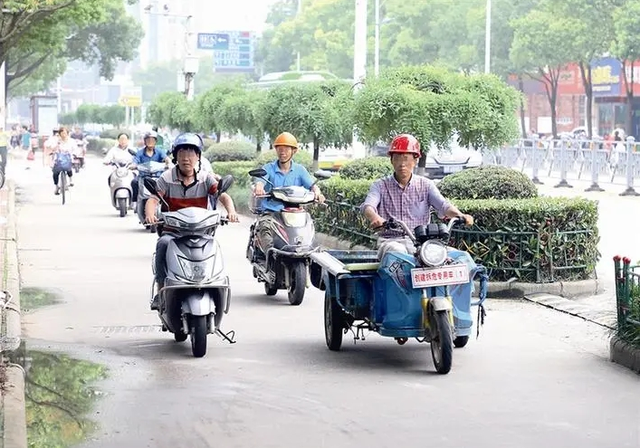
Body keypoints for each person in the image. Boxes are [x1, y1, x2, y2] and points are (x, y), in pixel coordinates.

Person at [144, 133, 239, 310]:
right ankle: (161, 290)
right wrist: (150, 215)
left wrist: (231, 211)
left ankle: (216, 288)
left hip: (202, 231)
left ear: (198, 157)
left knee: (214, 248)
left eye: (190, 154)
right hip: (173, 232)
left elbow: (222, 195)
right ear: (175, 157)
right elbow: (153, 199)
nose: (186, 159)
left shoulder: (205, 177)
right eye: (181, 154)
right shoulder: (166, 178)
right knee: (162, 245)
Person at [360, 134, 474, 260]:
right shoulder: (380, 186)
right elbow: (368, 206)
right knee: (398, 252)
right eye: (397, 158)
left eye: (406, 158)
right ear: (391, 160)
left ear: (415, 160)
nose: (402, 164)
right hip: (391, 241)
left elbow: (443, 205)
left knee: (462, 258)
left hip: (423, 243)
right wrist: (375, 218)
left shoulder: (426, 185)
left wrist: (460, 215)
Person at [250, 132, 325, 258]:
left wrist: (318, 192)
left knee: (309, 227)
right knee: (265, 226)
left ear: (293, 151)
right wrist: (259, 186)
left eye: (286, 149)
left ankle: (310, 259)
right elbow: (261, 180)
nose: (282, 152)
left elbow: (312, 185)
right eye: (279, 149)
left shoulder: (300, 170)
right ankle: (271, 257)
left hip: (294, 214)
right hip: (272, 212)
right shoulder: (268, 168)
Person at [129, 131, 172, 203]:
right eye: (148, 140)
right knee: (134, 182)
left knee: (168, 184)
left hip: (157, 176)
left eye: (152, 140)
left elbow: (166, 158)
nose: (150, 142)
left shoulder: (160, 151)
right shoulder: (140, 152)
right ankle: (136, 201)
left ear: (155, 141)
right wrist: (133, 165)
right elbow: (135, 161)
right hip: (143, 176)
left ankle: (165, 202)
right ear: (145, 141)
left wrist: (168, 163)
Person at [51, 127, 76, 195]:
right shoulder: (56, 141)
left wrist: (73, 154)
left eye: (65, 133)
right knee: (55, 172)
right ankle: (56, 186)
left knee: (68, 167)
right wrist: (57, 145)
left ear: (67, 134)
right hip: (59, 158)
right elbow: (52, 148)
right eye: (62, 133)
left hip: (68, 157)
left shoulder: (71, 141)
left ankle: (71, 180)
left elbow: (75, 149)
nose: (63, 135)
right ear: (59, 134)